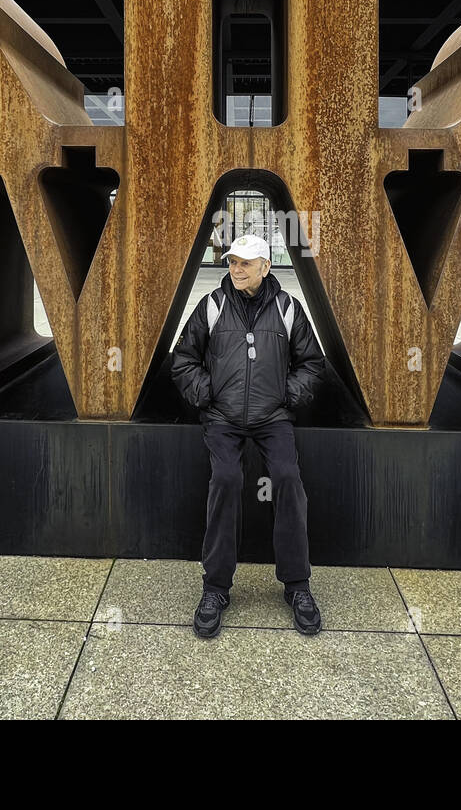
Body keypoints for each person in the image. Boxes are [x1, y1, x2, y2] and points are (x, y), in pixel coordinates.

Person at [170, 233, 327, 637]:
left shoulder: (288, 309)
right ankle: (216, 588)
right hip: (222, 419)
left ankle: (297, 586)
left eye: (245, 263)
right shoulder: (213, 306)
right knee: (226, 479)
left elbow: (311, 363)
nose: (236, 269)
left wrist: (286, 398)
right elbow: (184, 359)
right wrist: (208, 395)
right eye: (232, 262)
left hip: (273, 418)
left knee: (289, 480)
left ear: (266, 267)